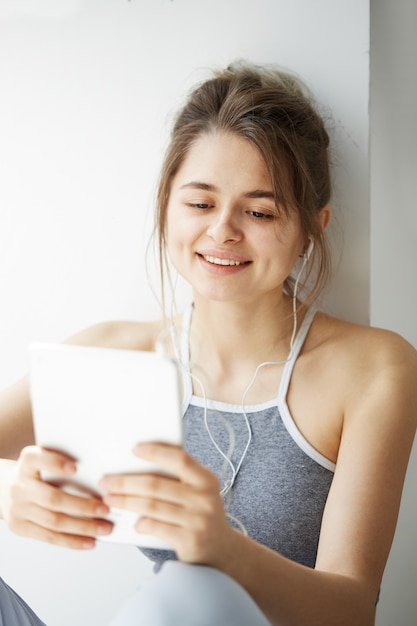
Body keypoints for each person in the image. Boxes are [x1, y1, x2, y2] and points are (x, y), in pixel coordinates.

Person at [0, 60, 416, 626]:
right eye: (199, 203)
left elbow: (353, 610)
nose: (223, 229)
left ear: (310, 231)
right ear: (166, 206)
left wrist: (222, 550)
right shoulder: (113, 357)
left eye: (260, 210)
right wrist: (10, 498)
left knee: (192, 592)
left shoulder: (373, 369)